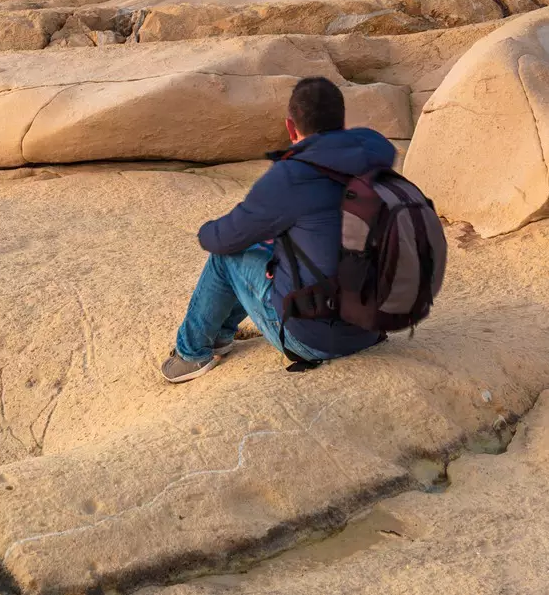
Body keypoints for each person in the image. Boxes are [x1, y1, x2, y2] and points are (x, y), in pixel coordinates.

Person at [160, 75, 397, 382]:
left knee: (227, 257)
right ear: (341, 123)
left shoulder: (292, 177)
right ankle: (221, 335)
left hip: (315, 341)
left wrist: (205, 229)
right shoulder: (373, 158)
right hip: (370, 328)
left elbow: (224, 238)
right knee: (276, 246)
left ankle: (191, 354)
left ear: (290, 126)